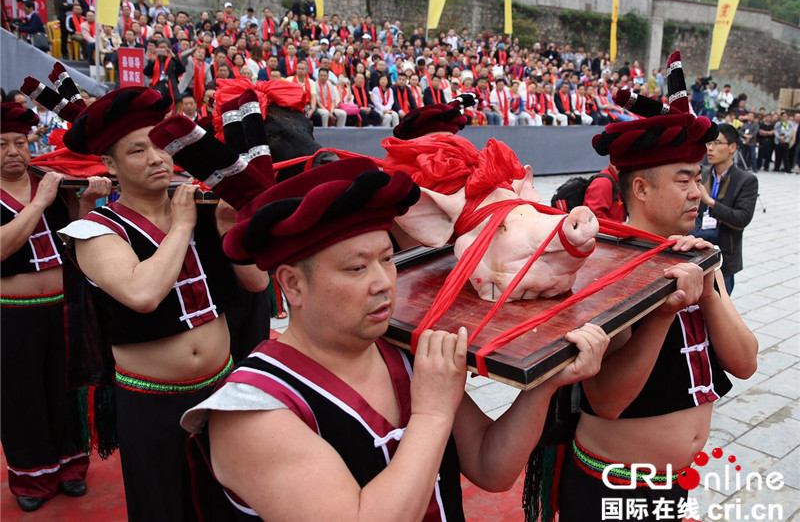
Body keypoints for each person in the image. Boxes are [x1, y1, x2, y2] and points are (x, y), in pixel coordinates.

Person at [177, 147, 609, 520]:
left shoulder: (402, 349)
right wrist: (432, 414)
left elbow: (490, 468)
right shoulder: (255, 410)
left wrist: (543, 387)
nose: (384, 281)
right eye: (356, 267)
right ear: (292, 284)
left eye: (386, 259)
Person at [559, 52, 758, 522]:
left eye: (701, 177)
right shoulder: (606, 264)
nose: (698, 192)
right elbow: (606, 400)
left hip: (672, 487)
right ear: (642, 189)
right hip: (612, 487)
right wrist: (665, 309)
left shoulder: (696, 253)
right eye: (684, 179)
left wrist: (708, 288)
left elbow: (746, 362)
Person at [56, 86, 268, 522]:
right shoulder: (95, 231)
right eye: (137, 150)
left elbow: (256, 282)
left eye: (160, 145)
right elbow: (143, 294)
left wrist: (230, 225)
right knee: (164, 506)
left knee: (231, 504)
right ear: (110, 165)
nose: (156, 158)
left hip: (221, 389)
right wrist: (184, 224)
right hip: (152, 402)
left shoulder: (204, 208)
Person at [1, 102, 111, 512]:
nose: (14, 151)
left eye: (21, 142)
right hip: (12, 311)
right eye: (2, 144)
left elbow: (70, 239)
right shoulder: (42, 191)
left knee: (66, 387)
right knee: (20, 394)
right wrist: (37, 204)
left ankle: (70, 466)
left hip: (63, 303)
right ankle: (31, 476)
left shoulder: (49, 181)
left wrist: (86, 205)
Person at [693, 124, 758, 295]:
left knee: (719, 309)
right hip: (696, 250)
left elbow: (742, 218)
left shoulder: (746, 180)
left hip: (724, 255)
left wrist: (710, 202)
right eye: (708, 143)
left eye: (717, 143)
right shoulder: (702, 174)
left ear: (732, 147)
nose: (710, 149)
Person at [143, 39, 185, 111]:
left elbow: (182, 70)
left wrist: (173, 56)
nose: (162, 49)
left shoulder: (172, 60)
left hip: (171, 88)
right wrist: (153, 60)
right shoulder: (154, 59)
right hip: (157, 88)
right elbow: (146, 72)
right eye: (161, 47)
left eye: (165, 47)